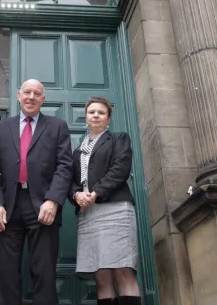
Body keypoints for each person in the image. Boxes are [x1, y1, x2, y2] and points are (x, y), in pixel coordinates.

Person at [0, 79, 73, 305]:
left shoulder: (57, 126)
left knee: (44, 273)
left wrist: (53, 200)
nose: (31, 97)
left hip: (43, 206)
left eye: (37, 93)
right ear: (18, 95)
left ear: (43, 99)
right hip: (7, 208)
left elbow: (65, 166)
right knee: (4, 275)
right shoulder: (2, 128)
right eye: (27, 92)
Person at [69, 97, 141, 305]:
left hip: (116, 210)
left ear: (108, 119)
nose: (96, 115)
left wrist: (96, 192)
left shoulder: (119, 139)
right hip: (88, 214)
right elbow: (70, 182)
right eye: (92, 112)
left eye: (101, 112)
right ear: (86, 117)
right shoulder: (76, 152)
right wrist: (76, 195)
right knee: (101, 277)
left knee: (123, 272)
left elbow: (121, 169)